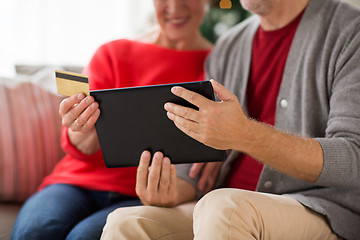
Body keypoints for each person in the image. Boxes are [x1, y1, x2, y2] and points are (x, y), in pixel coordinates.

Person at [100, 0, 360, 239]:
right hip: (223, 206)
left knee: (223, 208)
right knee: (125, 222)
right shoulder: (229, 45)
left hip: (319, 210)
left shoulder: (350, 31)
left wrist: (245, 134)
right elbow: (196, 164)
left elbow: (353, 159)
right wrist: (171, 192)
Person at [11, 0, 212, 239]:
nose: (174, 7)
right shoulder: (113, 53)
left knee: (83, 237)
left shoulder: (218, 65)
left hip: (140, 195)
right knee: (34, 233)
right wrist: (80, 125)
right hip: (76, 183)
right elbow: (83, 146)